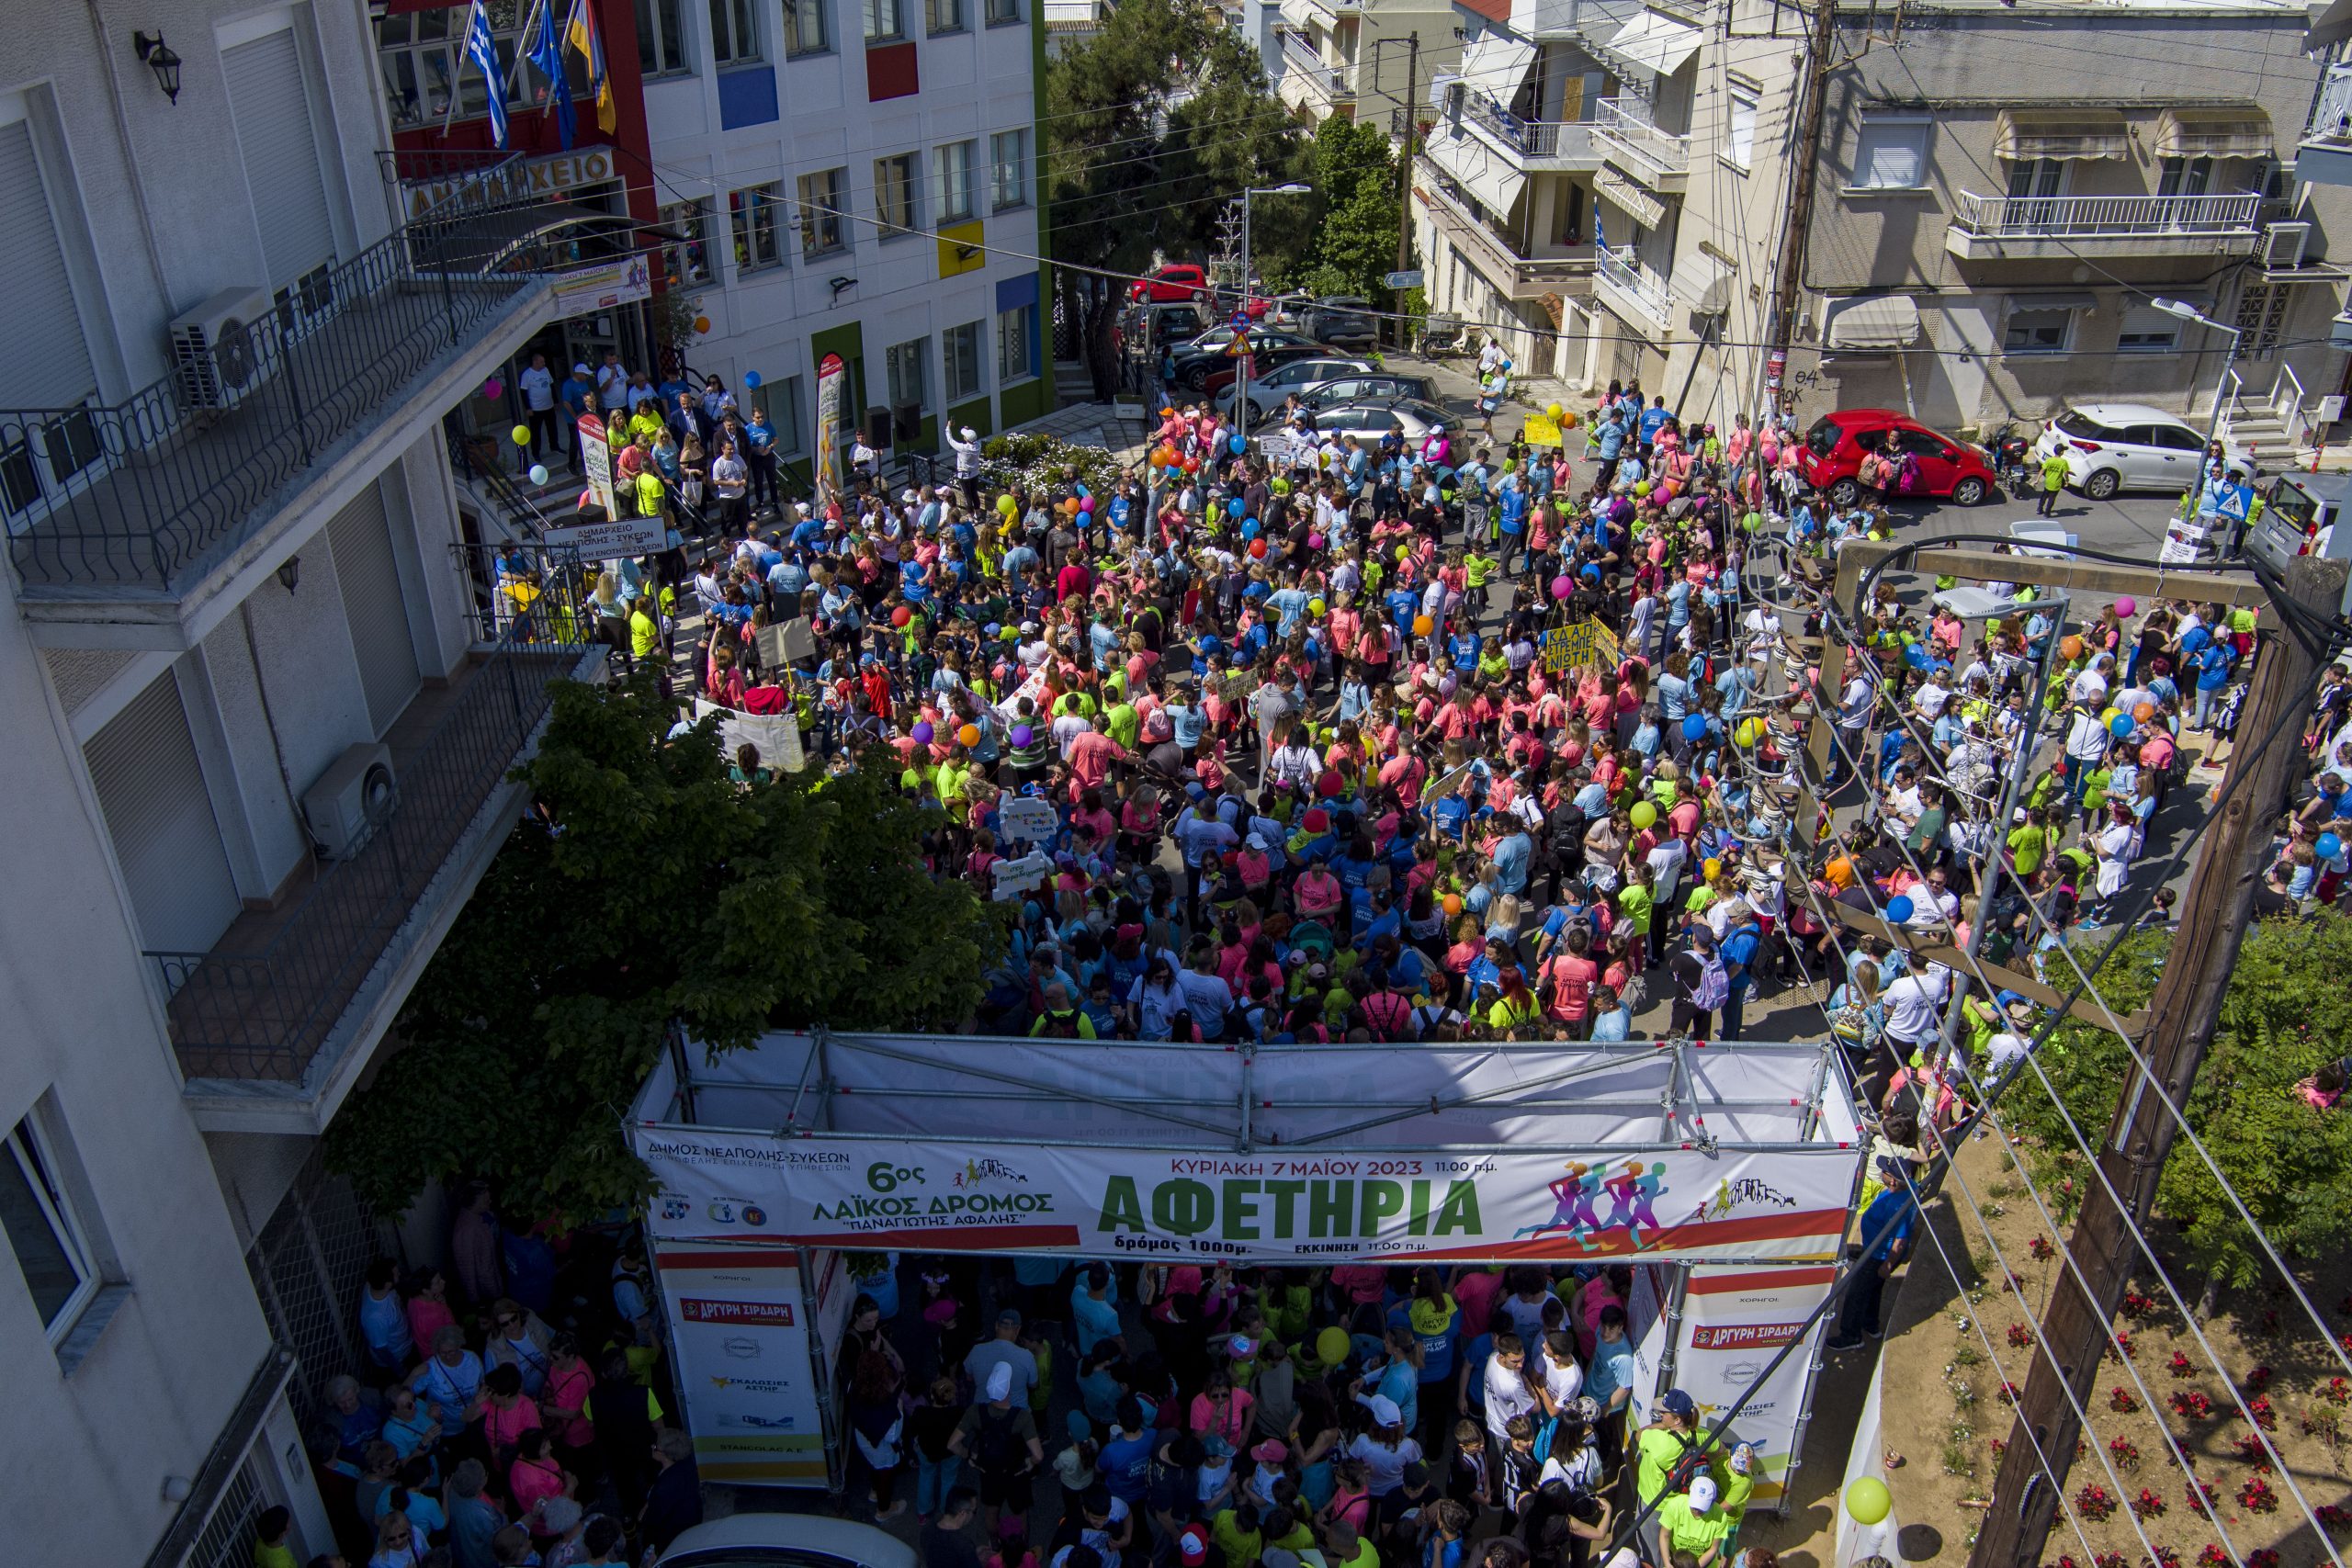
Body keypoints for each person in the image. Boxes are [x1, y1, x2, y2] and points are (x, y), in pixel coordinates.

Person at [1828, 1158, 1918, 1349]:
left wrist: (1887, 1264)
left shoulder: (1897, 1208)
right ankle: (1870, 1324)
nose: (1881, 1173)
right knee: (1873, 1289)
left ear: (1892, 1180)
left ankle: (1851, 1336)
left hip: (1878, 1256)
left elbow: (1900, 1241)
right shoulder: (1910, 1185)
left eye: (1885, 1172)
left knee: (1855, 1295)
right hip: (1873, 1250)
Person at [639, 1429, 705, 1555]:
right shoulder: (687, 1464)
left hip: (672, 1533)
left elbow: (656, 1518)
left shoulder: (665, 1488)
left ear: (665, 1456)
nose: (652, 1448)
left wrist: (647, 1511)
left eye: (656, 1447)